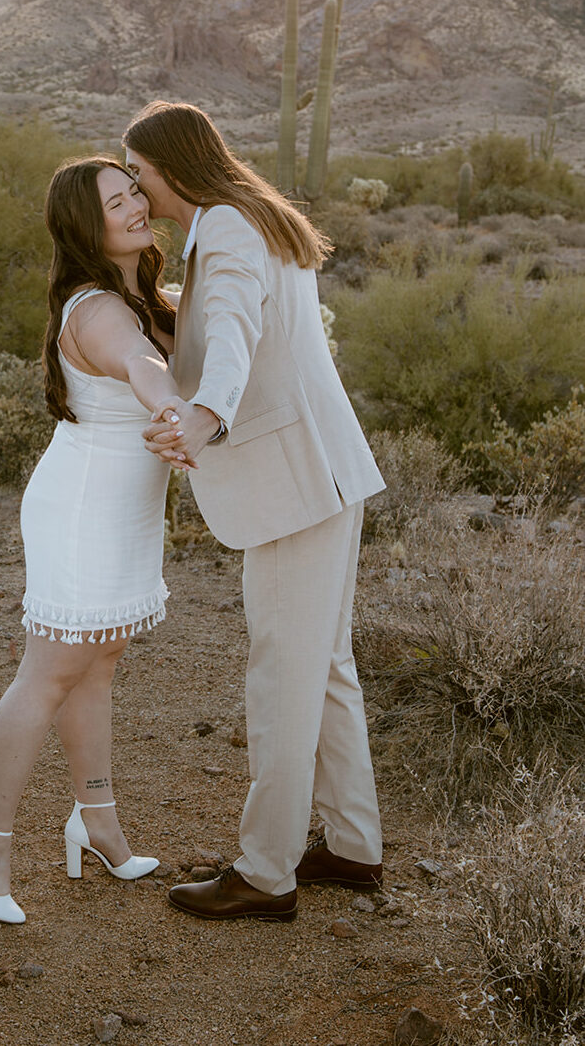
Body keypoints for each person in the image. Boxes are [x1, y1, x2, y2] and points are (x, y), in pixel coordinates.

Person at [122, 101, 386, 922]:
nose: (135, 186)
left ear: (170, 166)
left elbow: (232, 336)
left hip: (291, 490)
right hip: (324, 475)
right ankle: (351, 846)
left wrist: (205, 415)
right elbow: (229, 324)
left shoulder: (229, 229)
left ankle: (265, 873)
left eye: (138, 171)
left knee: (282, 675)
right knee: (325, 666)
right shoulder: (252, 220)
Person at [0, 157, 182, 924]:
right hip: (82, 509)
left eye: (135, 192)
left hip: (128, 507)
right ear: (88, 225)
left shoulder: (141, 293)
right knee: (48, 674)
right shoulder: (97, 310)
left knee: (99, 662)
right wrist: (178, 407)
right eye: (117, 203)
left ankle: (96, 819)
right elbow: (141, 364)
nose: (136, 207)